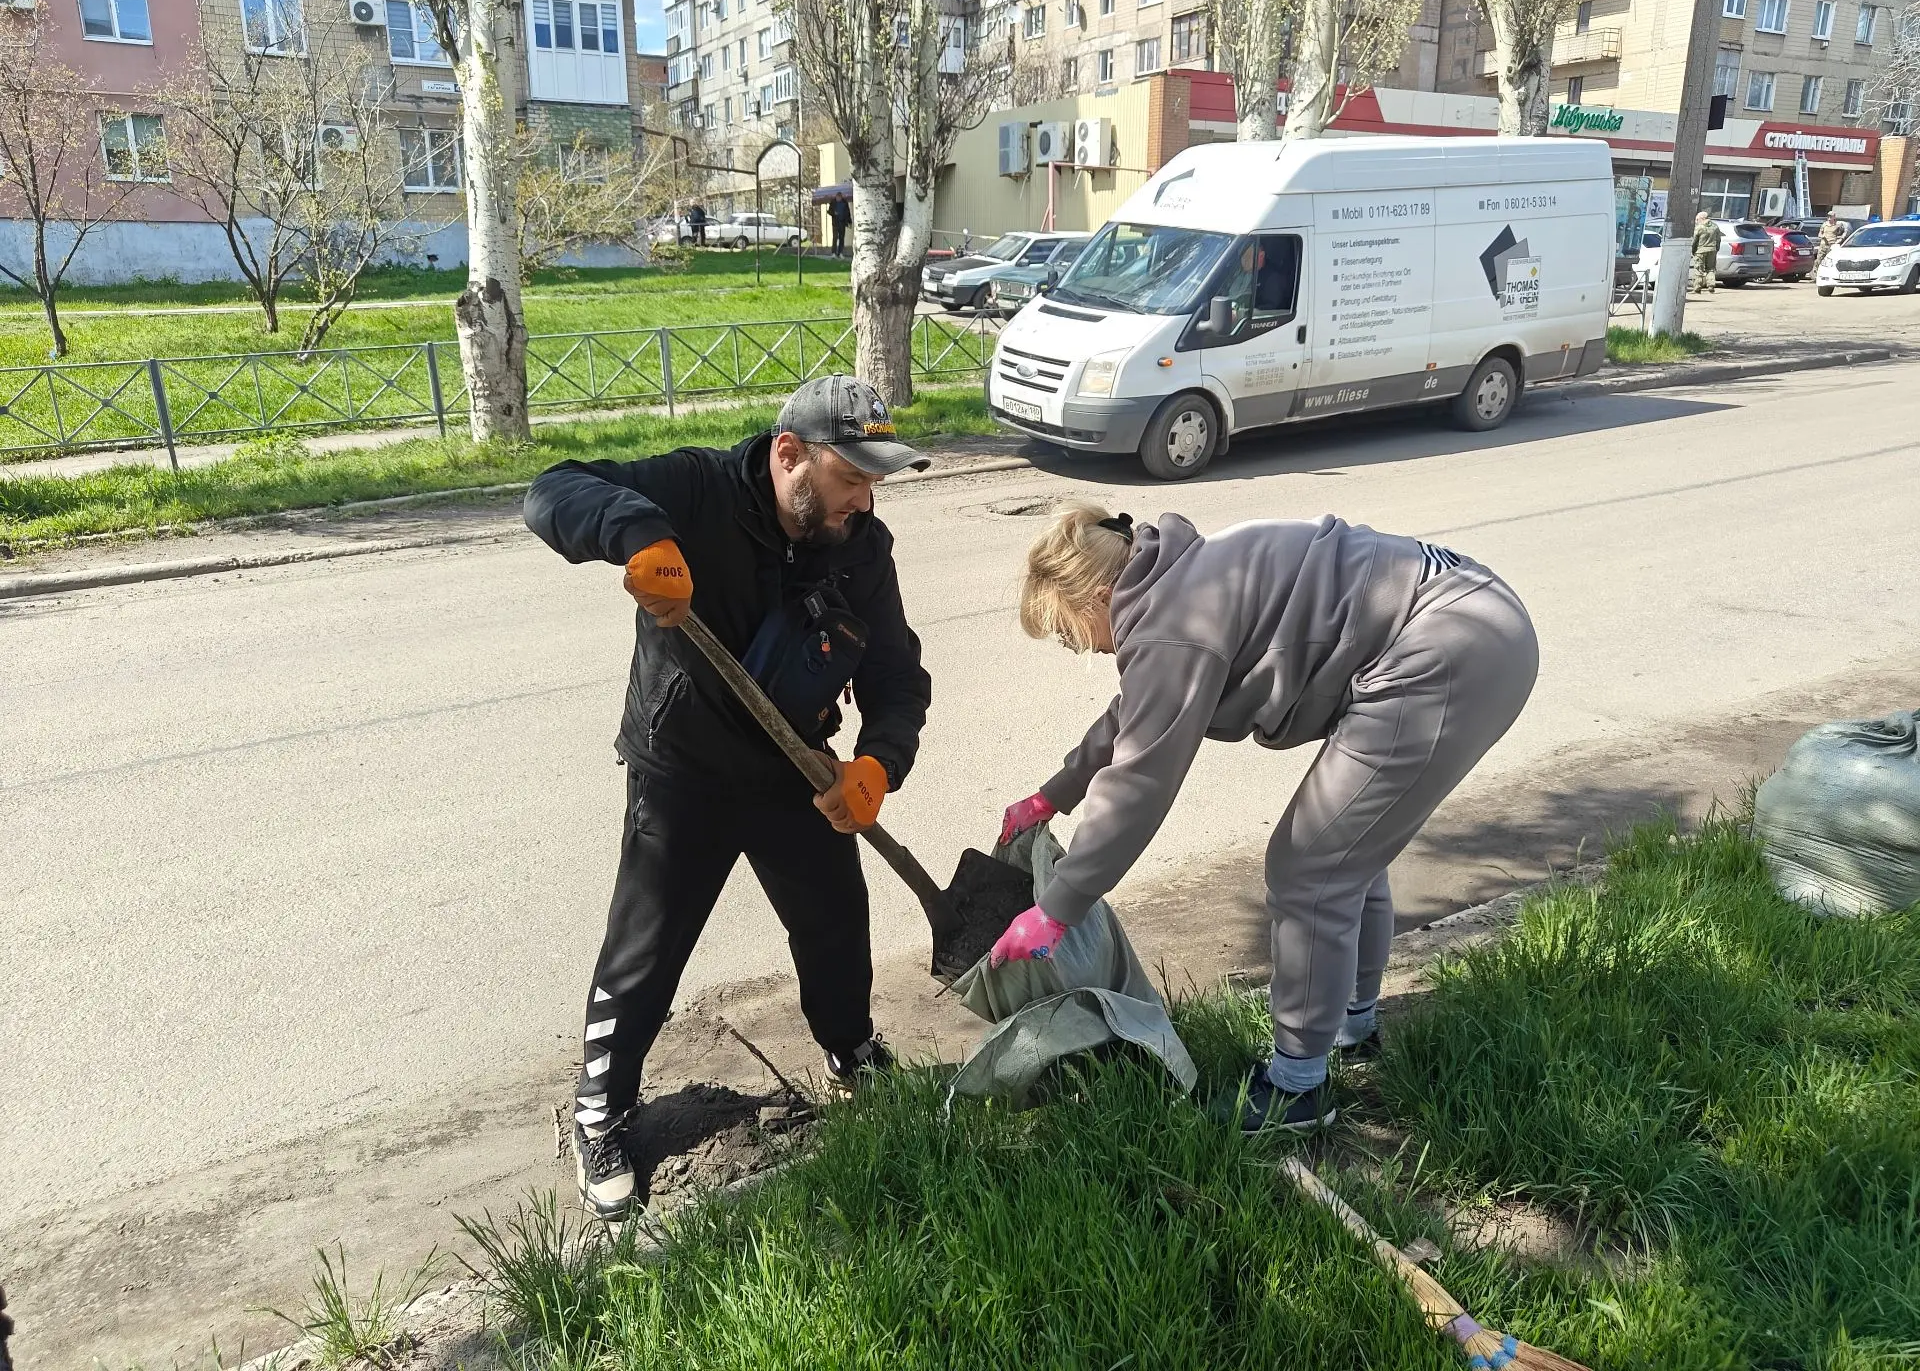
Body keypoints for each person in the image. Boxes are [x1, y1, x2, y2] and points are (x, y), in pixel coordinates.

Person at [523, 375, 934, 1220]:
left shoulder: (863, 547)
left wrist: (878, 765)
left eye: (872, 482)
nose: (862, 500)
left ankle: (851, 1050)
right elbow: (551, 489)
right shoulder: (697, 489)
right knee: (645, 952)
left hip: (797, 774)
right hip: (686, 772)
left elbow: (897, 676)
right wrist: (635, 534)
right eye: (849, 478)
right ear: (790, 455)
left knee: (834, 925)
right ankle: (600, 1109)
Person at [990, 505, 1538, 1133]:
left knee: (1309, 867)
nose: (1081, 648)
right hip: (1473, 614)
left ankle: (1297, 1090)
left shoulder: (1172, 624)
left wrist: (1058, 908)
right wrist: (1052, 795)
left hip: (1444, 651)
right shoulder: (1178, 577)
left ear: (1098, 593)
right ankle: (1352, 1028)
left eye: (1069, 632)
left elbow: (1140, 779)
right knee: (1348, 852)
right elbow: (1135, 716)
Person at [1690, 210, 1720, 294]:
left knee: (1698, 269)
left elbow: (1694, 241)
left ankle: (1697, 287)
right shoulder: (1715, 227)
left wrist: (1693, 251)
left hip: (1700, 251)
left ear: (1702, 219)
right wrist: (1716, 249)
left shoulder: (1699, 227)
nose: (1696, 221)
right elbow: (1718, 239)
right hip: (1712, 250)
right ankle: (1711, 285)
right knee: (1710, 269)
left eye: (1697, 219)